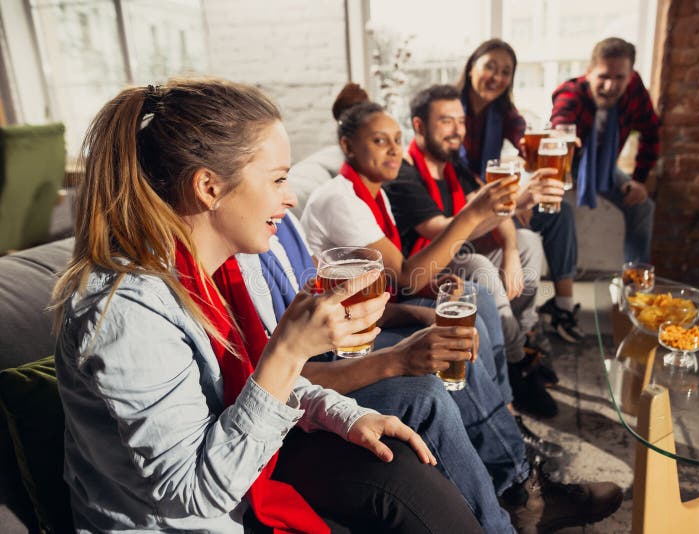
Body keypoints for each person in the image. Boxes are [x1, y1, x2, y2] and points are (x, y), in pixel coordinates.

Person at [50, 78, 484, 534]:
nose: (291, 197)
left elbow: (263, 385)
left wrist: (348, 414)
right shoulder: (126, 310)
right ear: (209, 188)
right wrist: (289, 350)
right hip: (196, 515)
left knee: (407, 474)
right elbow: (194, 494)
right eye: (278, 179)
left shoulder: (230, 268)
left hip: (244, 478)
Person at [298, 95, 623, 532]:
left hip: (375, 315)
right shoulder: (341, 199)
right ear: (348, 146)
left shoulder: (375, 193)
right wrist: (473, 216)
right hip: (349, 339)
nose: (395, 150)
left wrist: (439, 293)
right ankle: (520, 490)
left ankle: (505, 421)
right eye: (380, 141)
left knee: (474, 297)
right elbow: (407, 279)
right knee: (449, 345)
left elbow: (395, 285)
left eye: (397, 140)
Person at [382, 84, 562, 416]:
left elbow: (492, 209)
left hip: (459, 257)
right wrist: (506, 206)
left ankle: (517, 349)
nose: (457, 130)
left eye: (461, 121)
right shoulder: (404, 175)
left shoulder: (456, 167)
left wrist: (509, 249)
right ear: (419, 126)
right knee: (478, 264)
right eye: (446, 121)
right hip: (426, 273)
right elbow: (445, 230)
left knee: (528, 243)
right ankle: (518, 365)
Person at [458, 38, 585, 345]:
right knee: (532, 226)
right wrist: (514, 198)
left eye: (506, 71)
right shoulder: (452, 110)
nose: (497, 77)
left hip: (494, 197)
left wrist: (554, 144)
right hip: (465, 207)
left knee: (560, 212)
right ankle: (521, 337)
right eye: (490, 66)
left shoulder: (502, 112)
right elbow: (460, 175)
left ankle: (563, 307)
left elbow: (526, 142)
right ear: (472, 66)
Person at [550, 36, 659, 265]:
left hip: (605, 166)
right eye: (603, 77)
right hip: (572, 164)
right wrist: (561, 137)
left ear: (630, 76)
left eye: (619, 78)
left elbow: (651, 132)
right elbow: (560, 120)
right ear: (589, 71)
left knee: (642, 206)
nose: (610, 86)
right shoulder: (572, 92)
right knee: (555, 212)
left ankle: (635, 285)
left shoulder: (634, 91)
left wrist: (639, 180)